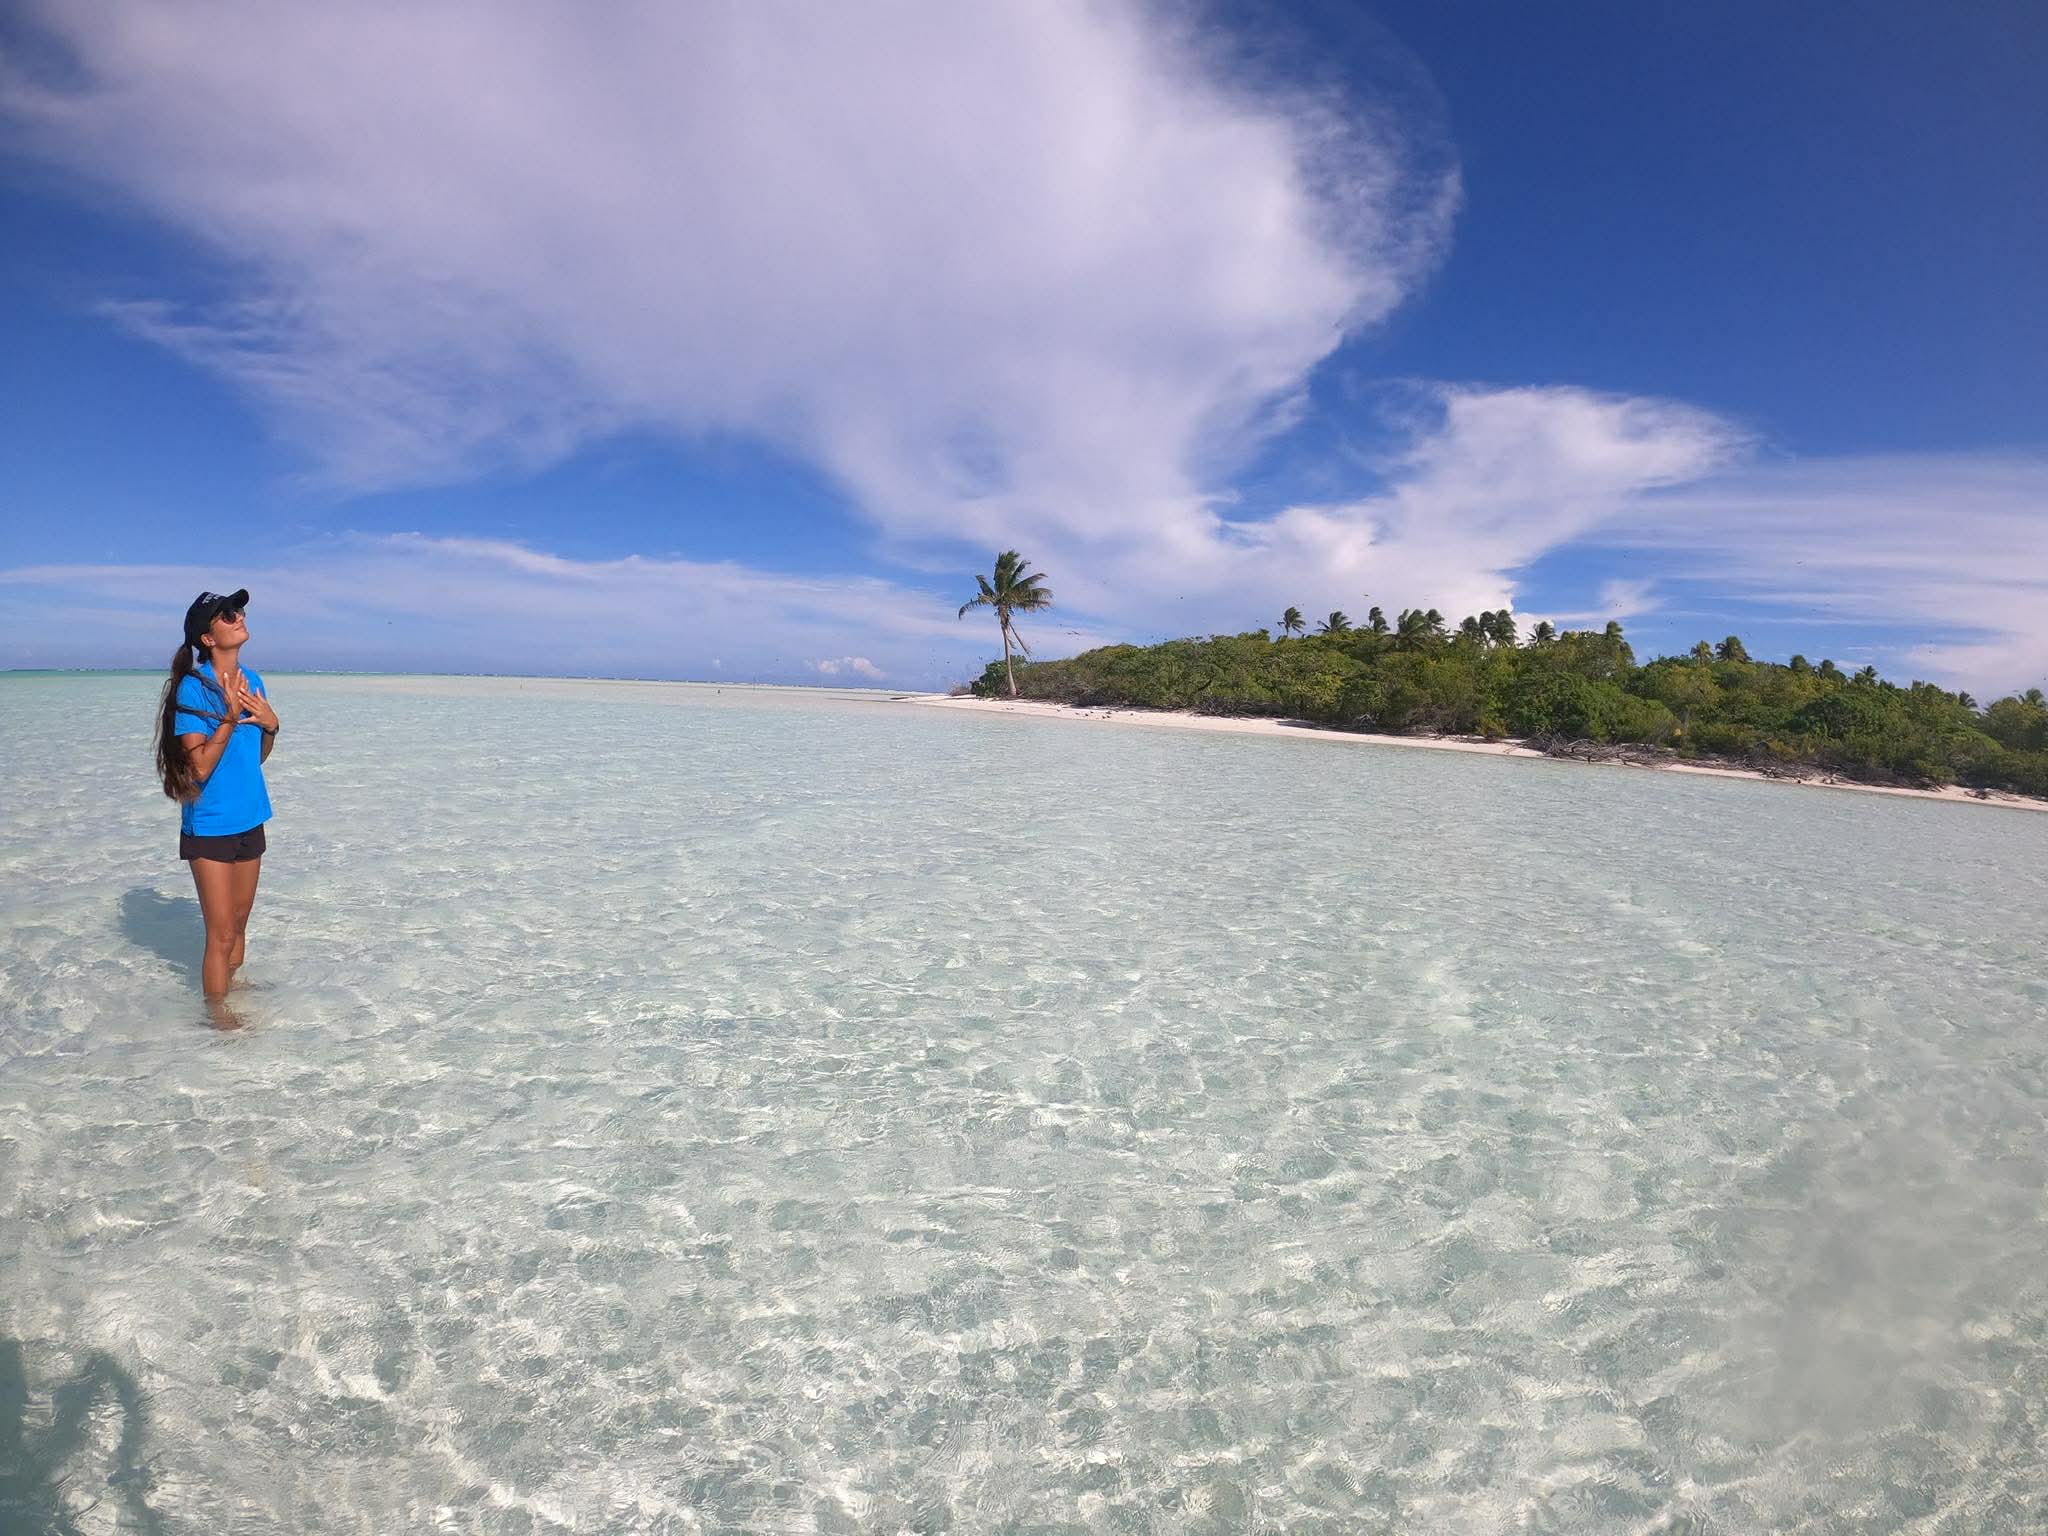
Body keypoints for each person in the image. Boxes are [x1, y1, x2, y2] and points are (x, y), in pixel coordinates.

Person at [154, 589, 280, 1023]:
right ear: (207, 638)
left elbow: (254, 758)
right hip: (210, 825)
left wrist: (272, 725)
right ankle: (217, 1017)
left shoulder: (254, 679)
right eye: (226, 614)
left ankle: (232, 988)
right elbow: (200, 769)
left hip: (251, 816)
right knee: (221, 933)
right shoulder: (194, 687)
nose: (237, 616)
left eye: (238, 609)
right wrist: (227, 717)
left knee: (241, 925)